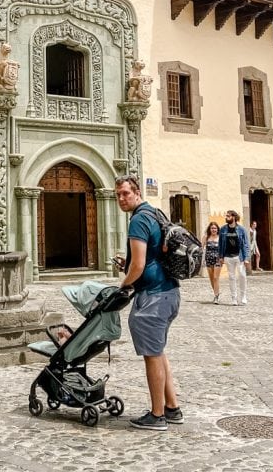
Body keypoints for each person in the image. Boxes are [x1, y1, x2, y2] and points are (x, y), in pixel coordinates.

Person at [113, 175, 182, 431]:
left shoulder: (138, 220)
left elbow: (139, 265)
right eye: (118, 194)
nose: (121, 198)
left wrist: (124, 284)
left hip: (153, 296)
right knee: (158, 351)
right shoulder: (154, 213)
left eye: (125, 193)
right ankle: (172, 408)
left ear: (137, 192)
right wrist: (128, 265)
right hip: (170, 292)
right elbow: (147, 257)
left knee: (152, 356)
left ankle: (157, 415)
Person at [218, 210, 250, 305]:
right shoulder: (223, 229)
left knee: (242, 275)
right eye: (226, 215)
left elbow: (246, 244)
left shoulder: (242, 229)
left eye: (228, 216)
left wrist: (246, 258)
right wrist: (220, 256)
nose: (226, 217)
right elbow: (220, 244)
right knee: (231, 277)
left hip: (239, 256)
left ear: (234, 217)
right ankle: (234, 298)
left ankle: (243, 296)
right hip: (228, 256)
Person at [203, 221, 222, 303]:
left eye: (215, 228)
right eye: (212, 228)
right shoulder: (206, 237)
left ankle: (216, 296)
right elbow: (201, 247)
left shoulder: (220, 238)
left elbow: (223, 249)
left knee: (215, 277)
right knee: (211, 278)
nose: (213, 229)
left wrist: (222, 258)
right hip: (208, 259)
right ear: (209, 229)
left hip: (217, 259)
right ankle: (216, 293)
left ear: (217, 229)